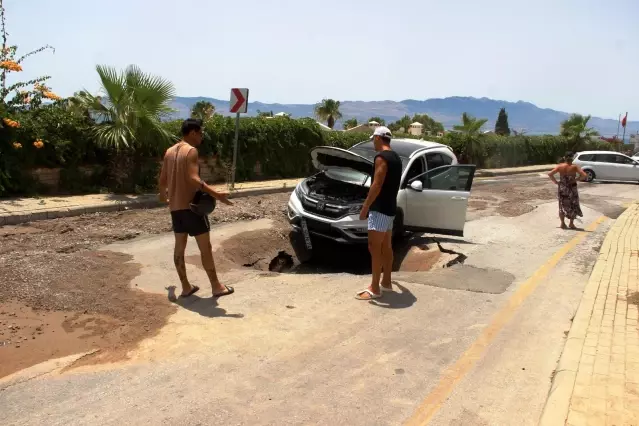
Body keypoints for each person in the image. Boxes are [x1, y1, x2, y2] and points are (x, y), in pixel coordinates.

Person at [158, 118, 235, 298]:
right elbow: (193, 178)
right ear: (192, 132)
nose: (202, 137)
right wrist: (217, 195)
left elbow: (162, 181)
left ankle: (185, 287)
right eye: (201, 133)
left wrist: (164, 197)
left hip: (175, 209)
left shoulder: (169, 152)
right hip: (192, 208)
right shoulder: (191, 151)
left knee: (179, 247)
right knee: (205, 248)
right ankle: (216, 286)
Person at [356, 126, 402, 300]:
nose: (372, 143)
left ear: (378, 138)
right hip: (390, 208)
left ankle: (375, 288)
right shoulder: (396, 157)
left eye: (372, 139)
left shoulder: (381, 157)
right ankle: (387, 282)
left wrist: (365, 207)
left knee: (374, 248)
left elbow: (377, 184)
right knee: (386, 247)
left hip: (380, 209)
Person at [548, 152, 587, 229]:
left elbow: (550, 174)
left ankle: (562, 223)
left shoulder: (560, 166)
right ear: (572, 158)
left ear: (564, 157)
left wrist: (556, 182)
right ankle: (571, 223)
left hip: (562, 188)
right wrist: (576, 179)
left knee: (561, 205)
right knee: (573, 205)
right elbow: (584, 175)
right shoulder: (574, 167)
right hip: (572, 188)